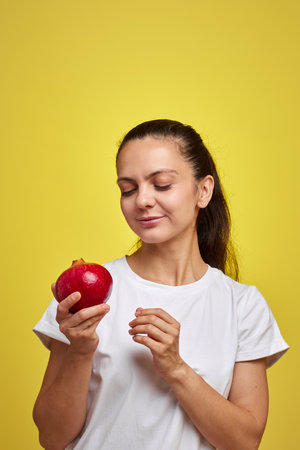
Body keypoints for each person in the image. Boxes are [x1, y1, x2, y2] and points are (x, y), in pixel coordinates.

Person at [33, 119, 289, 450]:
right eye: (128, 189)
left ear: (203, 190)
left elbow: (244, 443)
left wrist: (176, 368)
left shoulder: (242, 306)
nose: (142, 200)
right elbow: (51, 438)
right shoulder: (86, 297)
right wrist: (80, 351)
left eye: (162, 185)